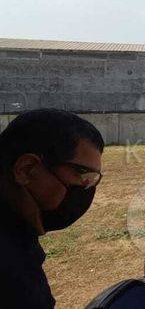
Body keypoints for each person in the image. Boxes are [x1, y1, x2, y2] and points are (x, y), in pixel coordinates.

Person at [0, 109, 104, 309]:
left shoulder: (16, 234)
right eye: (82, 174)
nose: (86, 188)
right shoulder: (13, 274)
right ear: (26, 169)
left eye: (92, 180)